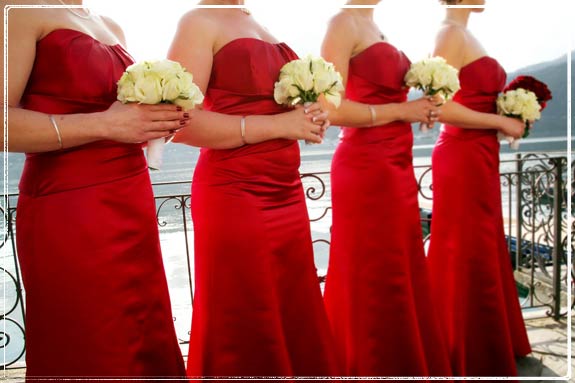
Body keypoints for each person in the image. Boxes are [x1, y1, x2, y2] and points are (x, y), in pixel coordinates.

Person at [5, 1, 187, 379]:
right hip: (71, 206)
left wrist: (152, 123)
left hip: (131, 200)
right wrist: (107, 125)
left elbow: (117, 119)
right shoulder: (19, 9)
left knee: (142, 333)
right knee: (93, 341)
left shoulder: (109, 24)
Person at [167, 0, 338, 377]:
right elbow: (180, 123)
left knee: (292, 310)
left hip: (287, 191)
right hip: (236, 191)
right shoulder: (198, 20)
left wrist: (309, 115)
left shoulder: (253, 19)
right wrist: (280, 127)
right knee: (248, 314)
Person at [319, 0, 452, 376]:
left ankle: (406, 361)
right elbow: (330, 109)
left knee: (402, 266)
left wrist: (420, 107)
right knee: (374, 270)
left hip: (398, 163)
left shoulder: (375, 26)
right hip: (366, 167)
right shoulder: (342, 22)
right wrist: (402, 111)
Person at [427, 0, 532, 376]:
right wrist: (499, 122)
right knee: (465, 248)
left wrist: (506, 117)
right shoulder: (450, 34)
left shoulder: (465, 33)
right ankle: (465, 347)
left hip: (481, 157)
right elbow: (438, 107)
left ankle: (490, 339)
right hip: (461, 157)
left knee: (484, 243)